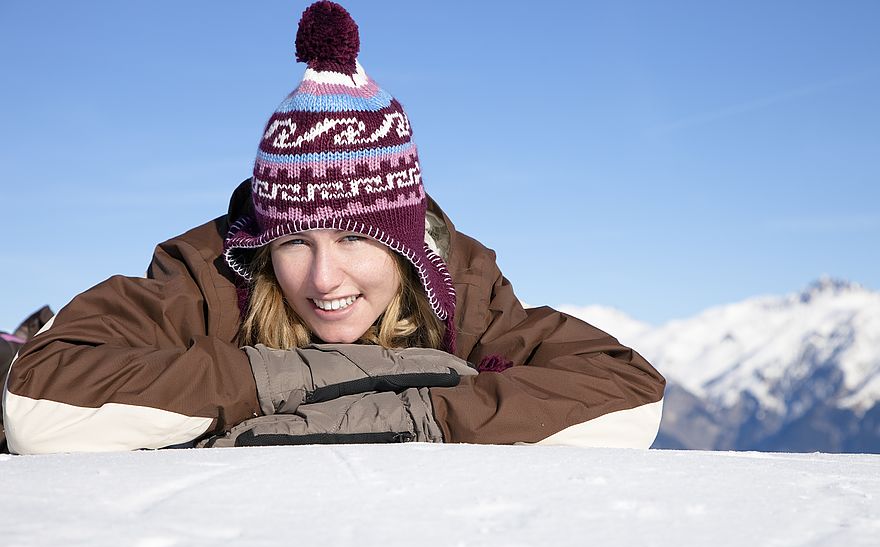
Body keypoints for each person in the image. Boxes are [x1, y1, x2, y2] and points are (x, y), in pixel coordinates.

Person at [2, 1, 665, 454]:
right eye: (294, 240)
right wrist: (307, 379)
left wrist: (407, 412)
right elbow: (40, 398)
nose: (323, 278)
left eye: (353, 237)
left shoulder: (461, 286)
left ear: (406, 243)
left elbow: (629, 395)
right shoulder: (206, 277)